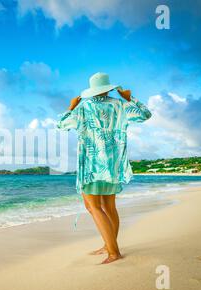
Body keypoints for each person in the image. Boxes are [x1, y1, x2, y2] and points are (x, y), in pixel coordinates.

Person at [57, 72, 152, 264]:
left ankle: (114, 252)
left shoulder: (84, 107)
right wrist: (129, 97)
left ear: (91, 91)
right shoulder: (119, 105)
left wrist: (71, 106)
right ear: (108, 88)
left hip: (92, 166)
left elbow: (61, 124)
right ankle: (109, 245)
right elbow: (145, 115)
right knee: (109, 207)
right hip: (112, 165)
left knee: (93, 207)